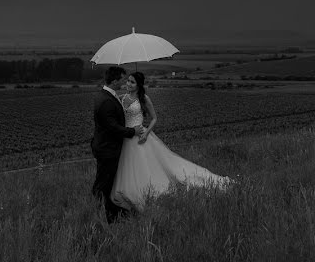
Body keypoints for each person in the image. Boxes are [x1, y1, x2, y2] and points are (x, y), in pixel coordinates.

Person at [111, 71, 231, 211]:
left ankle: (146, 192)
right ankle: (127, 192)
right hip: (127, 137)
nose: (128, 84)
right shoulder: (121, 98)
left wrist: (146, 133)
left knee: (145, 165)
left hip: (140, 137)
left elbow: (154, 118)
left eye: (132, 82)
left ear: (139, 85)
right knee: (126, 165)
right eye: (128, 81)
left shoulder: (144, 98)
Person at [91, 66, 145, 223]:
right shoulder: (106, 101)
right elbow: (113, 127)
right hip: (107, 149)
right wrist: (132, 132)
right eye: (122, 79)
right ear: (114, 81)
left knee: (110, 181)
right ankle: (102, 214)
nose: (124, 82)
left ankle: (115, 212)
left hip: (106, 146)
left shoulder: (106, 95)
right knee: (103, 184)